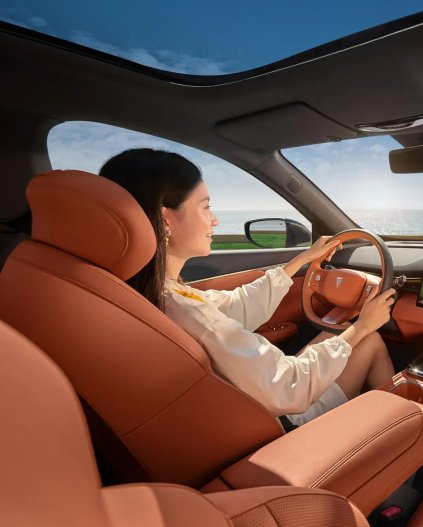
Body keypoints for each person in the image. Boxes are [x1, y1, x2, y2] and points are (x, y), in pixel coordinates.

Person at [98, 148, 395, 426]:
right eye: (206, 207)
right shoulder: (185, 311)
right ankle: (403, 430)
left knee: (336, 335)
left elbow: (233, 306)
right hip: (281, 425)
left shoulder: (148, 295)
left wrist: (302, 260)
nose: (215, 220)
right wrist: (363, 326)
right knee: (368, 340)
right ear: (166, 220)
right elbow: (290, 387)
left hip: (241, 411)